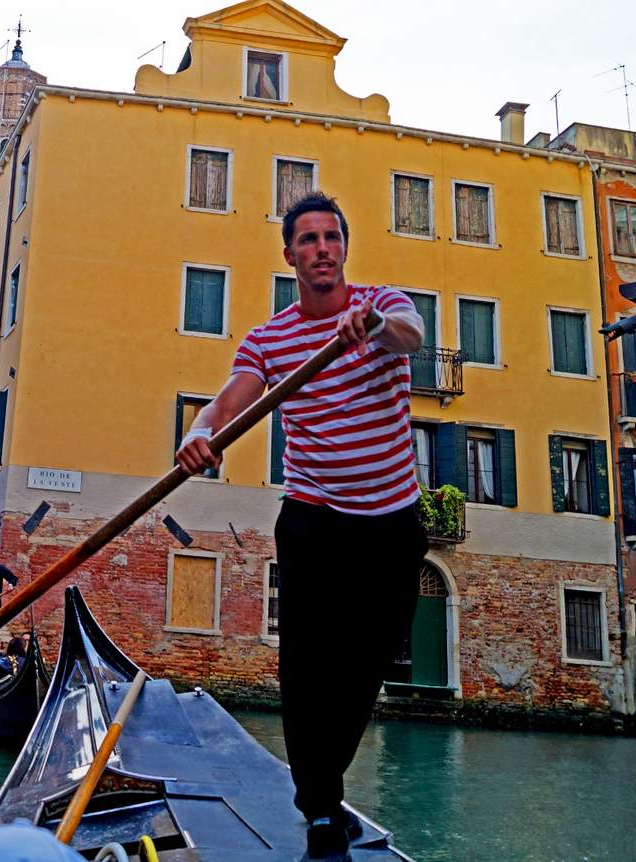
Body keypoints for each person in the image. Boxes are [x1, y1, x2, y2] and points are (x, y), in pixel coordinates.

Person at [175, 193, 428, 862]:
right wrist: (201, 432)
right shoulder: (270, 339)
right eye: (308, 239)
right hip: (314, 518)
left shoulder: (382, 303)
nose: (321, 248)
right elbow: (233, 396)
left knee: (369, 663)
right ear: (289, 254)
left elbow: (410, 335)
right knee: (307, 668)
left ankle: (321, 788)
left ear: (344, 248)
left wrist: (371, 327)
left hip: (392, 522)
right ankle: (320, 809)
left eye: (331, 237)